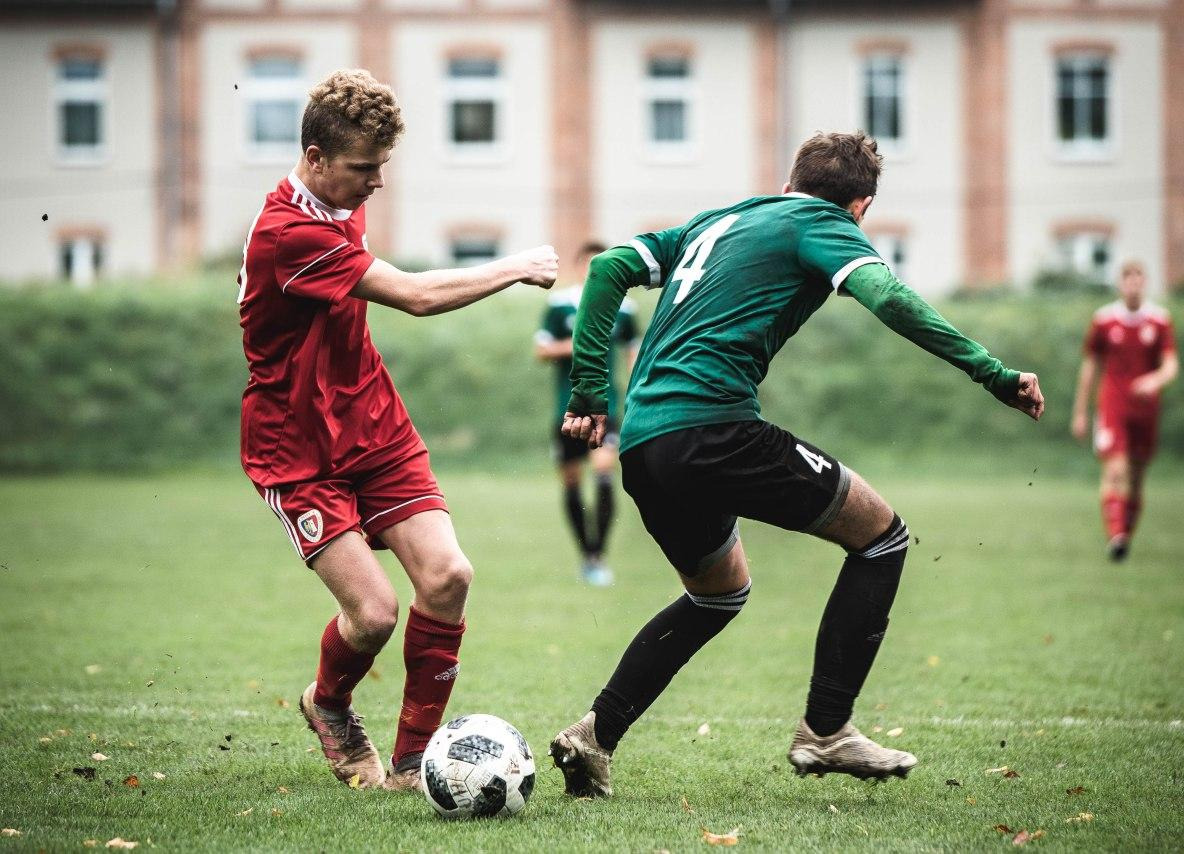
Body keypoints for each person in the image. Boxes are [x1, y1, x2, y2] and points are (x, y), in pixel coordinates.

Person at [549, 131, 1044, 797]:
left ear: (789, 183)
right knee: (882, 537)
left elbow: (609, 267)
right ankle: (827, 729)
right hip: (715, 429)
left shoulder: (720, 220)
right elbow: (890, 298)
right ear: (861, 207)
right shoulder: (825, 223)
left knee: (717, 594)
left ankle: (595, 736)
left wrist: (589, 392)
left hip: (644, 445)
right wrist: (993, 373)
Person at [235, 69, 557, 791]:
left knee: (449, 577)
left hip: (374, 426)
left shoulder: (338, 200)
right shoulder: (289, 234)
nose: (376, 182)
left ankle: (415, 761)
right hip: (297, 447)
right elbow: (413, 295)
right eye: (363, 168)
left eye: (381, 165)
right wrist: (515, 266)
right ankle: (328, 703)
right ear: (315, 157)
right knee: (375, 614)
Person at [535, 241, 641, 586]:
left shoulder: (623, 308)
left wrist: (638, 391)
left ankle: (598, 555)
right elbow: (542, 350)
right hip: (567, 408)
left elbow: (633, 353)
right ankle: (586, 554)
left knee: (604, 470)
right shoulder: (560, 305)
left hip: (606, 407)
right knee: (572, 482)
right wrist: (577, 343)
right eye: (589, 264)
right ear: (580, 267)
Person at [1070, 260, 1178, 561]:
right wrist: (1080, 411)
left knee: (1137, 476)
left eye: (1138, 278)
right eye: (1127, 278)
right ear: (1120, 283)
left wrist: (1155, 380)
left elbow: (1171, 365)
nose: (1133, 284)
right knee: (1116, 470)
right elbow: (1090, 367)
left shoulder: (1159, 321)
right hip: (1113, 405)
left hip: (1145, 409)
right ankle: (1116, 536)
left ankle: (1124, 536)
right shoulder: (1104, 320)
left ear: (1145, 282)